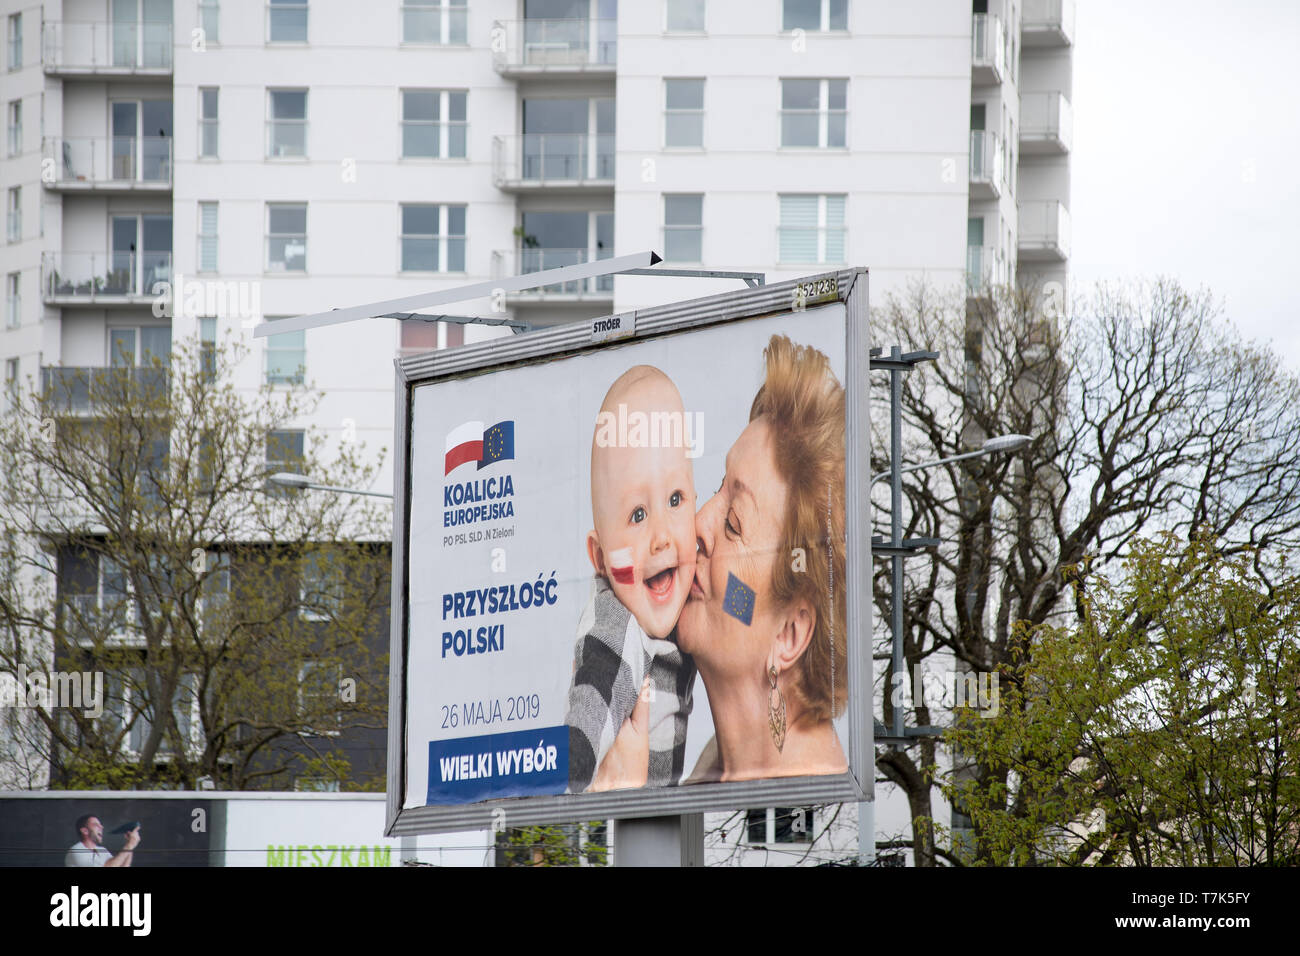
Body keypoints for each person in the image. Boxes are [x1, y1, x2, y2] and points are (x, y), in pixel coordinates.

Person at [595, 334, 848, 784]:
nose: (696, 525)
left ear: (789, 634)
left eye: (732, 522)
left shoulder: (811, 800)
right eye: (715, 489)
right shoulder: (711, 778)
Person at [564, 365, 698, 792]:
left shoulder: (682, 583)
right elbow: (593, 700)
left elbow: (741, 598)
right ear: (600, 558)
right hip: (633, 810)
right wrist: (574, 763)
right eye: (637, 515)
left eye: (676, 500)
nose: (661, 537)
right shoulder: (617, 626)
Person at [65, 815, 139, 867]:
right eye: (96, 825)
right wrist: (129, 845)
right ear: (85, 831)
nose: (101, 827)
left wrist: (130, 844)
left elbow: (123, 866)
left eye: (100, 824)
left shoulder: (102, 850)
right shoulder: (76, 850)